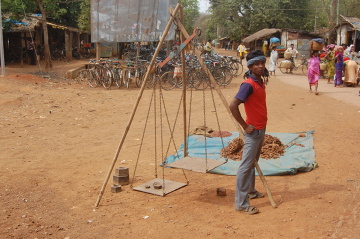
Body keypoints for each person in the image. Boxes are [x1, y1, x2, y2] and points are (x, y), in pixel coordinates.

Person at [229, 50, 268, 215]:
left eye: (262, 63)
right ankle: (241, 203)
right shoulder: (248, 85)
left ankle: (251, 191)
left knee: (253, 162)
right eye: (256, 64)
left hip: (261, 129)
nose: (260, 66)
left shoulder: (260, 81)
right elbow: (233, 106)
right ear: (250, 66)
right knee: (245, 166)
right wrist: (245, 126)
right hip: (253, 131)